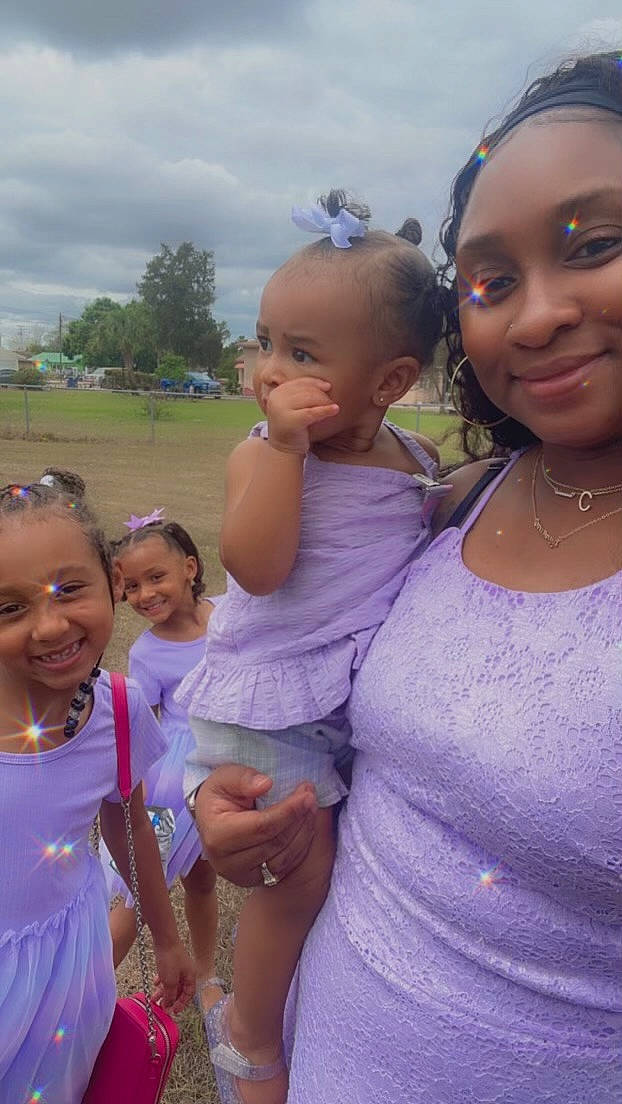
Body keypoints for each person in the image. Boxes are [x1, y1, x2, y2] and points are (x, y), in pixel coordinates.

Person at [190, 50, 622, 1104]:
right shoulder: (453, 500)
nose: (532, 317)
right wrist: (228, 809)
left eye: (598, 243)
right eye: (491, 280)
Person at [178, 190, 446, 1104]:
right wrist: (286, 452)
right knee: (302, 871)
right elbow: (254, 567)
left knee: (327, 872)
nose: (266, 371)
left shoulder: (415, 461)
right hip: (268, 691)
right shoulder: (264, 453)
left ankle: (280, 1008)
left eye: (302, 355)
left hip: (332, 696)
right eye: (264, 342)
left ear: (388, 381)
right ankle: (249, 1032)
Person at [0, 481, 196, 1101]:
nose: (50, 626)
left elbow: (130, 826)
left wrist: (166, 939)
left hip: (72, 964)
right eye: (9, 608)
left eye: (70, 589)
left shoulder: (117, 707)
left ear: (114, 581)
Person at [107, 512, 222, 1014]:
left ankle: (207, 973)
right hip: (175, 775)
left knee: (201, 879)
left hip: (224, 756)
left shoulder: (228, 616)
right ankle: (80, 995)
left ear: (191, 568)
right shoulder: (147, 653)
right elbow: (146, 727)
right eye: (131, 586)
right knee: (143, 891)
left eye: (156, 577)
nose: (145, 594)